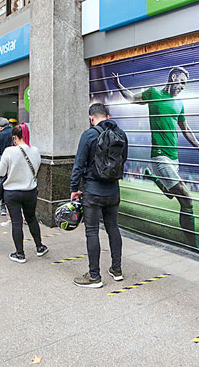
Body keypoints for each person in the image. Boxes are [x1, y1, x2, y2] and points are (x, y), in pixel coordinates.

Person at [111, 67, 199, 252]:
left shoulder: (179, 104)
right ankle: (194, 247)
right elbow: (132, 98)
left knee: (171, 193)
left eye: (185, 84)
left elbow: (185, 128)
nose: (183, 87)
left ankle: (153, 178)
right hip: (160, 156)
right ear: (173, 77)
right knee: (187, 200)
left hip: (174, 157)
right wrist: (119, 86)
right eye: (181, 82)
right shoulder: (154, 93)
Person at [70, 103, 128, 288]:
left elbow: (78, 164)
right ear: (108, 116)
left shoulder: (89, 135)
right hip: (113, 191)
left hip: (93, 191)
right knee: (113, 228)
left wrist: (74, 188)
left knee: (92, 231)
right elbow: (123, 160)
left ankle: (94, 276)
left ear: (91, 118)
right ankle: (116, 270)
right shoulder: (121, 134)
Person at [0, 125, 48, 263]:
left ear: (14, 137)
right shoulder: (35, 150)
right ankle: (40, 247)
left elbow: (0, 172)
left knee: (17, 222)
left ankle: (20, 254)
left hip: (12, 193)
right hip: (30, 191)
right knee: (31, 219)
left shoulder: (9, 151)